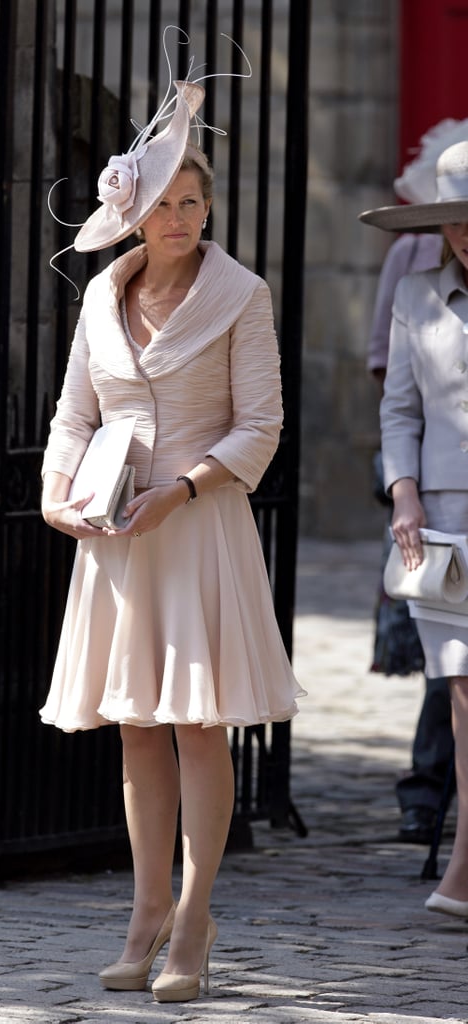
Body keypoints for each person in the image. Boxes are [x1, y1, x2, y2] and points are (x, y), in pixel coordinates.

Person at [39, 76, 304, 1001]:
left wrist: (183, 490)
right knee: (136, 729)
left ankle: (194, 914)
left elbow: (261, 426)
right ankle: (144, 911)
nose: (182, 217)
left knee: (197, 725)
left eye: (194, 201)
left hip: (195, 530)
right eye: (165, 204)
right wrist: (55, 493)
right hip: (117, 536)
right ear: (135, 216)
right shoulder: (100, 300)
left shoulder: (241, 295)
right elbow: (73, 414)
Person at [360, 137, 468, 918]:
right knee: (462, 693)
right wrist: (404, 494)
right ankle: (465, 863)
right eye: (457, 221)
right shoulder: (415, 296)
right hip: (442, 519)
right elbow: (397, 411)